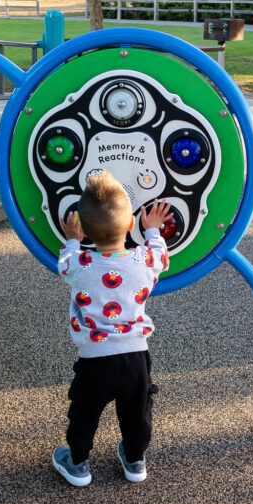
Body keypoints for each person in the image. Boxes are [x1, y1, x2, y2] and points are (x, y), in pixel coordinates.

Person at [51, 170, 171, 487]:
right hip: (135, 357)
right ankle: (134, 459)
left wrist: (73, 239)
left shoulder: (78, 265)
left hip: (95, 359)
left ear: (87, 230)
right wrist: (153, 230)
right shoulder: (143, 261)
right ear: (130, 224)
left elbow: (64, 261)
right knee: (137, 412)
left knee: (84, 411)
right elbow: (161, 256)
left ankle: (77, 463)